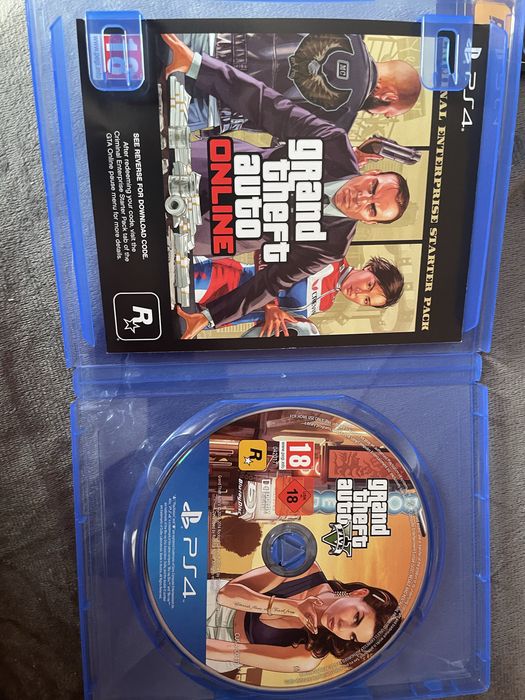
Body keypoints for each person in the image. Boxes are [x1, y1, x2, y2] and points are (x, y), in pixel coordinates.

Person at [161, 34, 410, 334]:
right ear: (372, 174)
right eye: (372, 189)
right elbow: (267, 106)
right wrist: (198, 66)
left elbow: (271, 282)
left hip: (206, 231)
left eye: (371, 209)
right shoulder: (334, 144)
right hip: (206, 166)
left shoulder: (332, 246)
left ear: (369, 222)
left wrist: (210, 318)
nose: (361, 199)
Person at [176, 33, 422, 132]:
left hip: (216, 39)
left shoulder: (349, 28)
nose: (382, 115)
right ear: (389, 96)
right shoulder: (339, 123)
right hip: (215, 105)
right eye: (388, 112)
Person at [206, 561, 401, 673]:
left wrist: (295, 610)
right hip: (212, 600)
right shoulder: (306, 570)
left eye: (352, 636)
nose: (342, 627)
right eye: (356, 618)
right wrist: (294, 607)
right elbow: (225, 595)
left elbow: (232, 652)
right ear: (358, 593)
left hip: (220, 647)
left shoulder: (308, 657)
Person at [189, 255, 404, 338]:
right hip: (218, 280)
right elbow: (266, 249)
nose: (359, 293)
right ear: (369, 268)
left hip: (214, 318)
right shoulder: (329, 257)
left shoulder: (326, 304)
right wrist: (270, 304)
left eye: (366, 300)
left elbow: (268, 324)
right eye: (369, 285)